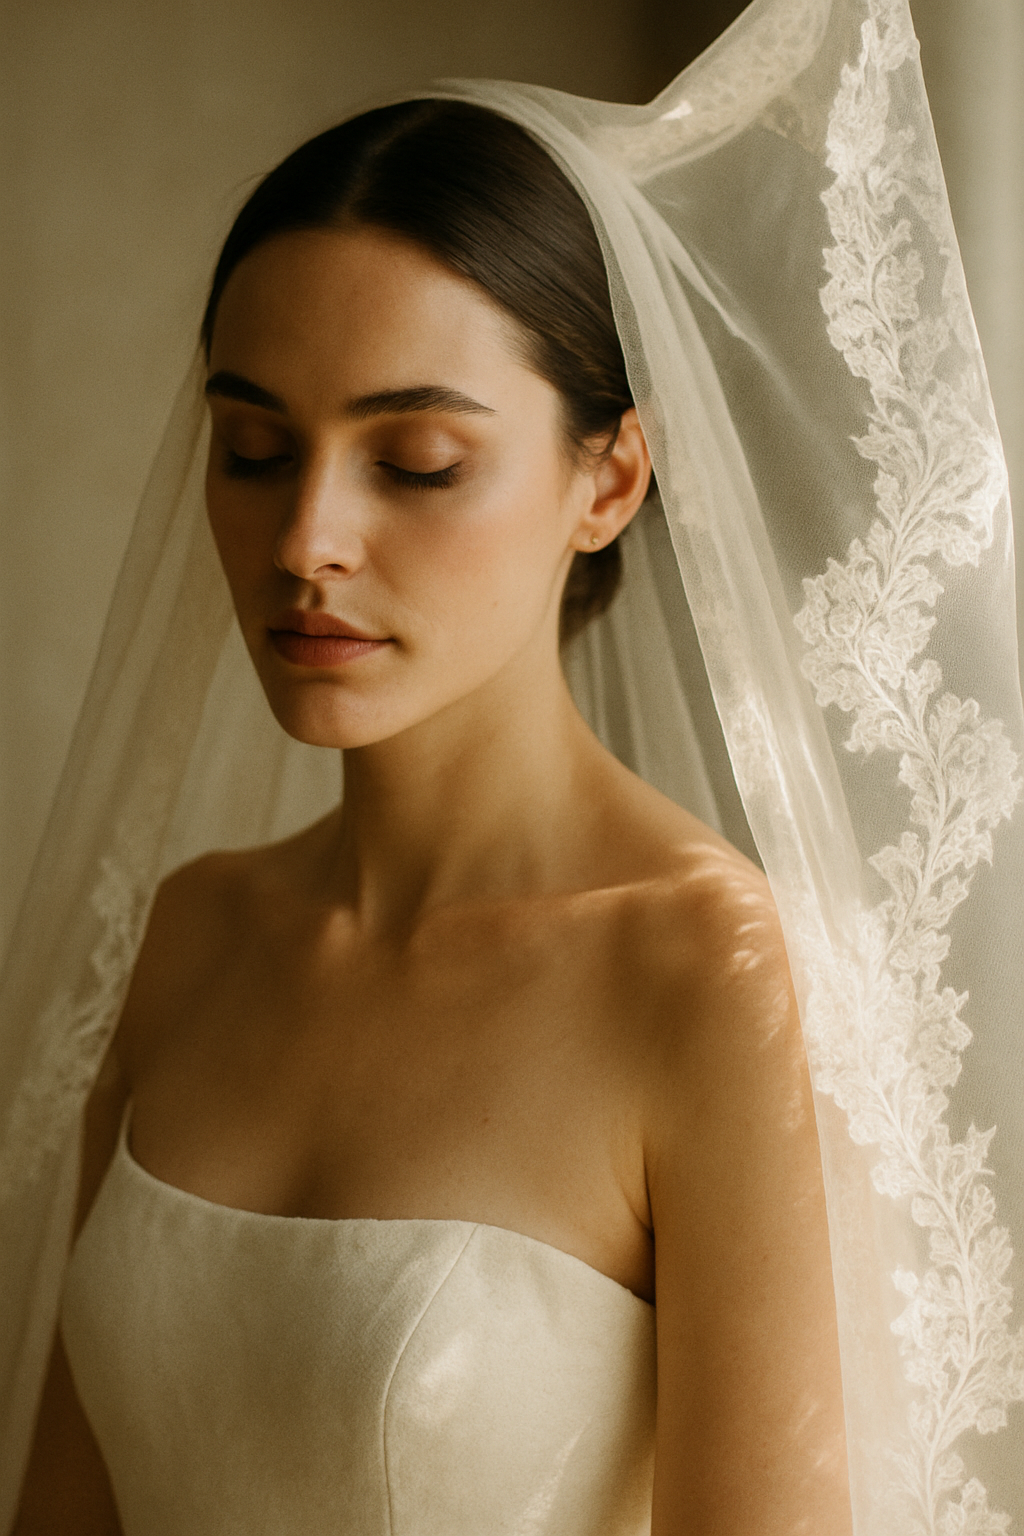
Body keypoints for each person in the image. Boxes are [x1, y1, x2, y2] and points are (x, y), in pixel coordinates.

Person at [3, 3, 1023, 1533]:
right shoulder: (189, 937)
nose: (306, 545)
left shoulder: (706, 972)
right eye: (256, 450)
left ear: (609, 478)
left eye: (417, 462)